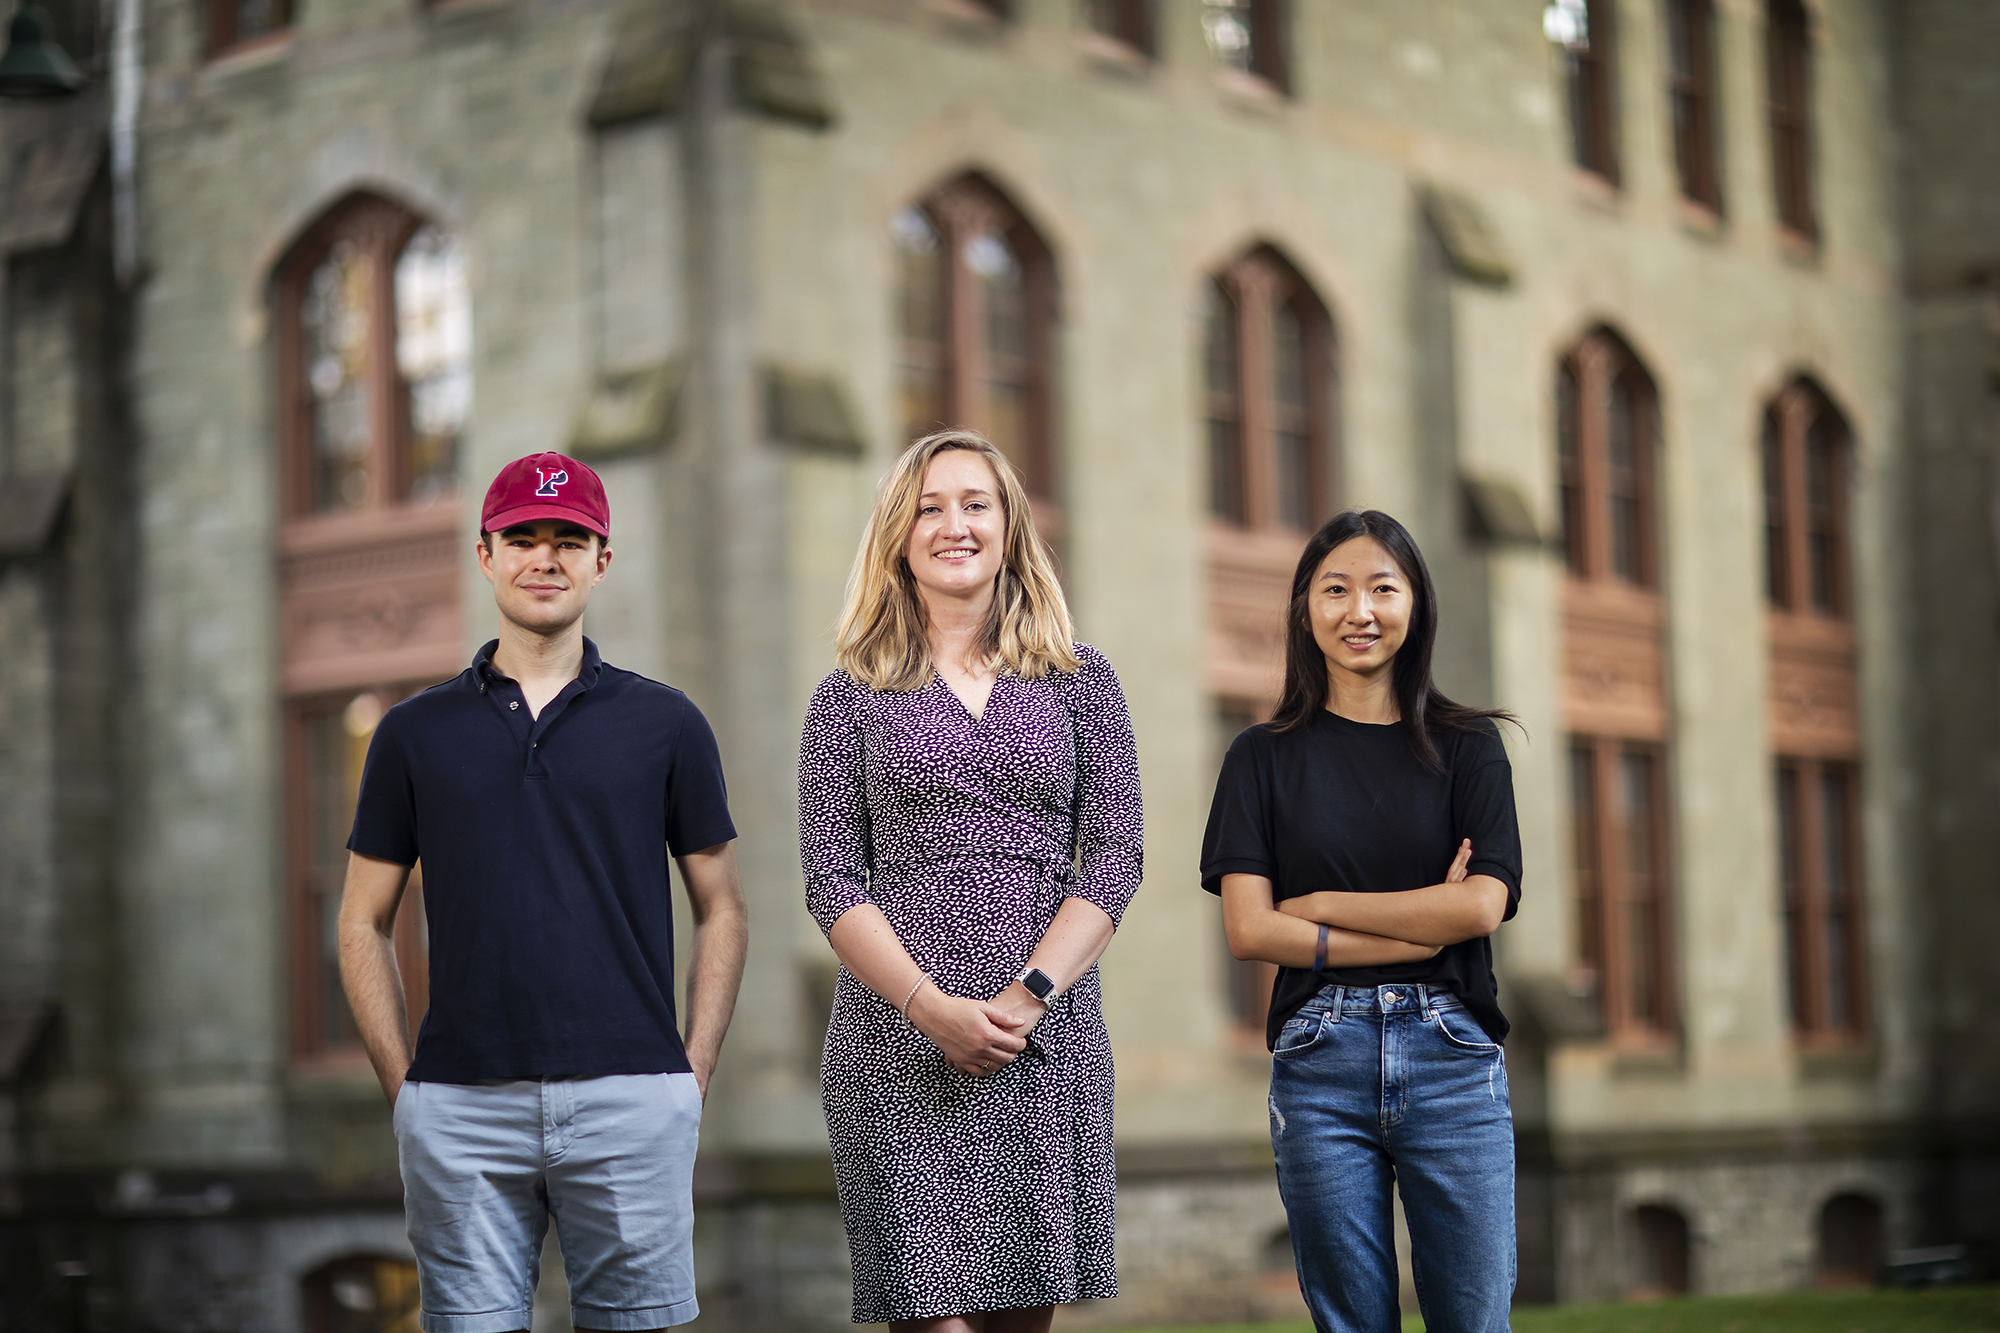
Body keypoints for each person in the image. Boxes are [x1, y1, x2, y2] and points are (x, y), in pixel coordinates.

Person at [337, 451, 748, 1333]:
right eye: (523, 536)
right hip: (462, 1110)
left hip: (633, 1097)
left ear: (603, 559)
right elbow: (361, 920)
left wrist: (692, 1071)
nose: (545, 557)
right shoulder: (413, 734)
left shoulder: (667, 722)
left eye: (570, 538)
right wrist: (404, 1089)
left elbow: (722, 905)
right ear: (485, 554)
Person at [797, 429, 1144, 1333]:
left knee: (1021, 1320)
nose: (955, 524)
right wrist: (929, 1007)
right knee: (932, 1320)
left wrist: (1029, 995)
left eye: (975, 503)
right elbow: (831, 879)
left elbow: (1115, 855)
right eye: (930, 506)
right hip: (899, 1044)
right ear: (899, 537)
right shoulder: (849, 694)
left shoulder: (1080, 679)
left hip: (1045, 1037)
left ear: (1009, 526)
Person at [1202, 509, 1522, 1333]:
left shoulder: (1469, 747)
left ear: (1415, 605)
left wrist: (1317, 906)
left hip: (1453, 1056)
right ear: (1305, 607)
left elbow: (1482, 904)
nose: (1360, 610)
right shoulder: (1261, 756)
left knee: (1475, 1323)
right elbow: (1249, 930)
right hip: (1320, 1059)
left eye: (1384, 587)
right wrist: (1423, 923)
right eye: (1335, 589)